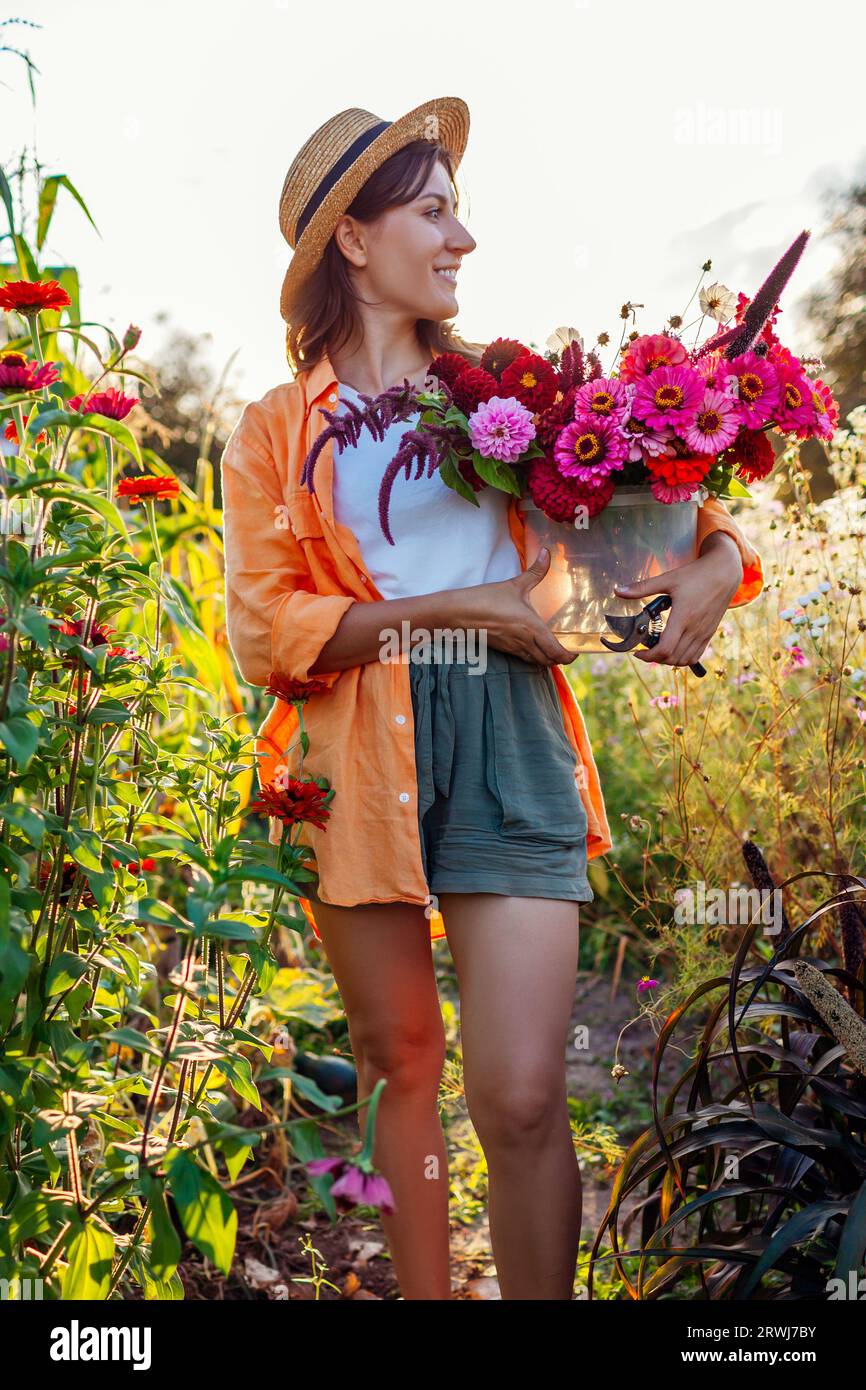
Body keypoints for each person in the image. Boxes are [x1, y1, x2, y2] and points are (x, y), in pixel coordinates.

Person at [220, 97, 764, 1300]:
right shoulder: (272, 432)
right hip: (351, 757)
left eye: (457, 211)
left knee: (517, 1095)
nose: (460, 238)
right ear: (351, 243)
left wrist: (716, 570)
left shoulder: (501, 396)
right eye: (431, 211)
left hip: (509, 737)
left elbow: (666, 516)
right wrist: (469, 610)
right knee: (396, 1062)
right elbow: (267, 633)